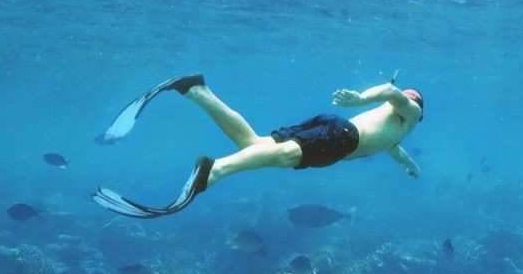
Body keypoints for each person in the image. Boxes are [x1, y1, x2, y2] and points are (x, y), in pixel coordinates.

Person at [92, 74, 423, 217]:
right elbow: (393, 93)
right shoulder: (410, 111)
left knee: (252, 143)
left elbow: (393, 149)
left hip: (333, 126)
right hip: (343, 137)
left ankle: (195, 90)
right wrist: (361, 97)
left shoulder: (397, 133)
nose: (406, 98)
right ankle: (215, 171)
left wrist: (410, 165)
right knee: (282, 157)